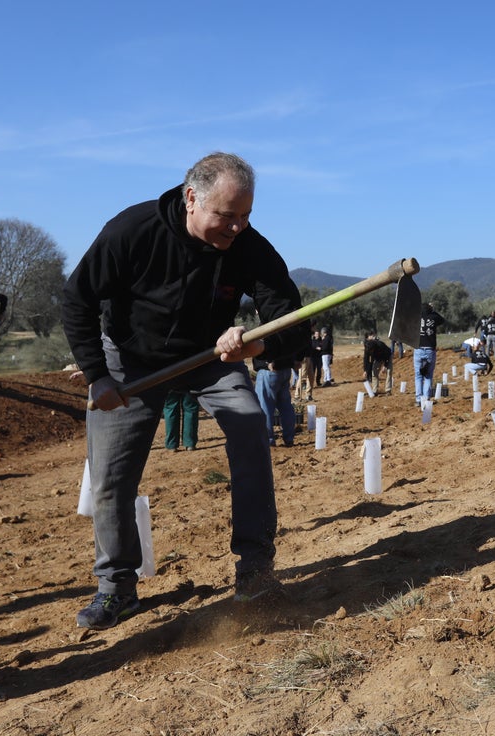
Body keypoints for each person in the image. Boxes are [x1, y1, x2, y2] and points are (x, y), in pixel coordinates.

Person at [61, 152, 311, 629]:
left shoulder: (248, 247)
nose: (236, 227)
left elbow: (290, 317)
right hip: (130, 361)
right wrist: (98, 374)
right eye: (226, 216)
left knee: (250, 426)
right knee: (110, 477)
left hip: (210, 359)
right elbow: (78, 298)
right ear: (191, 198)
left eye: (245, 217)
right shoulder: (131, 231)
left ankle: (256, 570)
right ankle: (116, 588)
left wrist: (257, 342)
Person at [254, 354, 296, 447]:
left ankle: (268, 440)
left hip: (269, 370)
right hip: (286, 369)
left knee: (265, 407)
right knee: (286, 406)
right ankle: (289, 438)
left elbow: (268, 340)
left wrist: (269, 360)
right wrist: (298, 359)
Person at [413, 303, 445, 404]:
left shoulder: (417, 317)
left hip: (418, 349)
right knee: (428, 375)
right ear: (430, 309)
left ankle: (418, 399)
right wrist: (433, 310)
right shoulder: (434, 317)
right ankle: (426, 398)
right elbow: (442, 320)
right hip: (430, 350)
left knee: (418, 375)